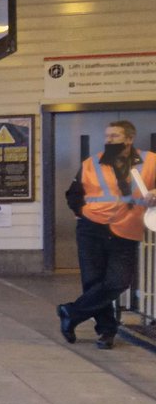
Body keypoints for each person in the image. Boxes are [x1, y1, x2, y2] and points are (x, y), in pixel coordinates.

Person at [60, 120, 156, 349]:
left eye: (114, 136)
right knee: (93, 282)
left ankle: (71, 313)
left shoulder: (151, 161)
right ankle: (106, 331)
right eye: (107, 136)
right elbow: (73, 194)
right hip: (91, 228)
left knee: (119, 281)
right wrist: (82, 211)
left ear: (129, 139)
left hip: (126, 229)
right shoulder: (91, 163)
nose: (108, 140)